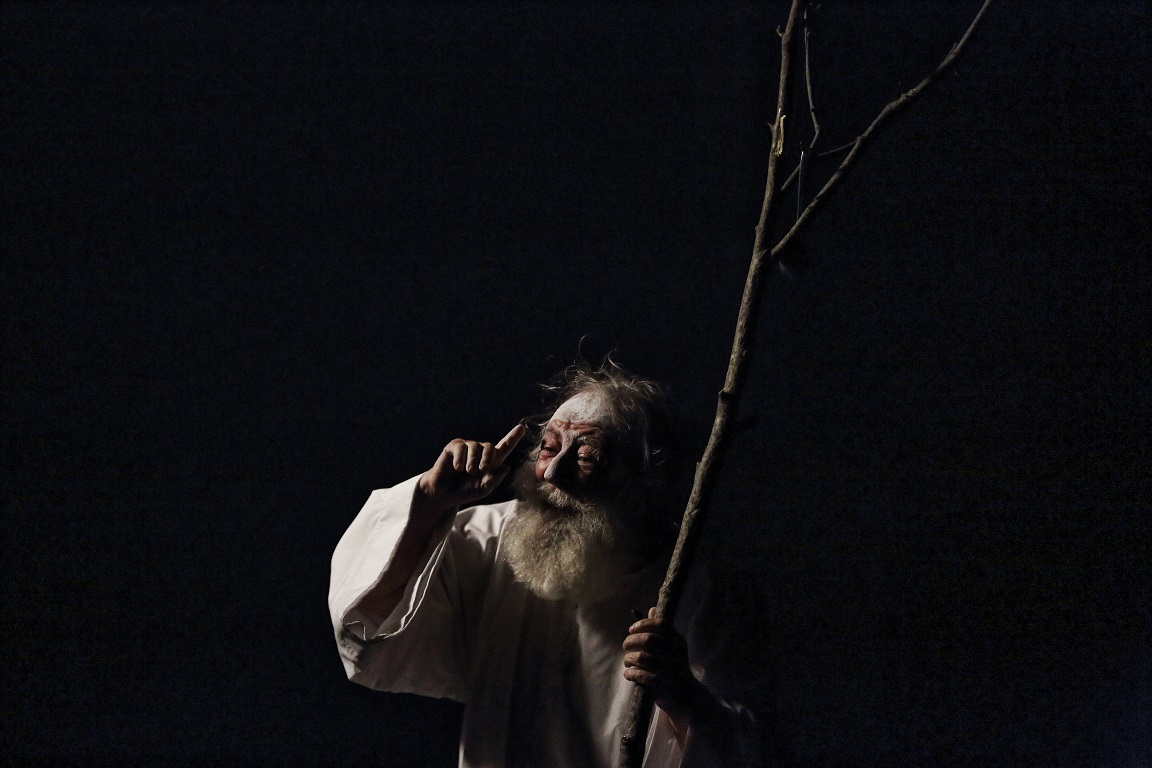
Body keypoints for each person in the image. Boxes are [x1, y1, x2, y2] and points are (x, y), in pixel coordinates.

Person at [328, 361, 774, 767]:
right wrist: (428, 500)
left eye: (586, 456)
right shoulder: (498, 540)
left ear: (644, 481)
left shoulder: (704, 592)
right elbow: (369, 628)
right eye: (549, 447)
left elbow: (755, 747)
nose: (553, 472)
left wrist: (683, 698)